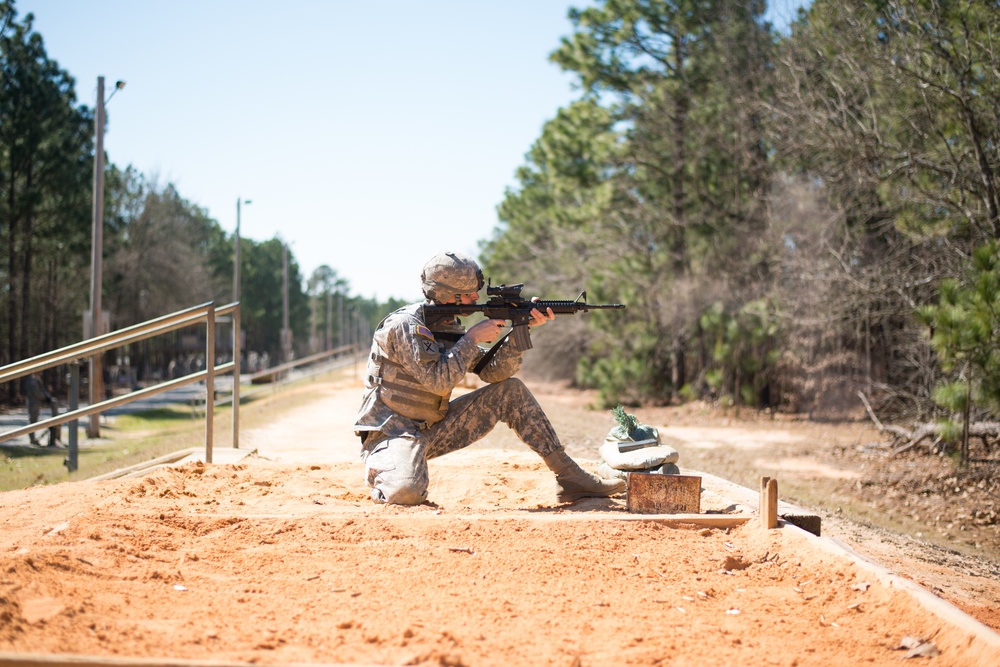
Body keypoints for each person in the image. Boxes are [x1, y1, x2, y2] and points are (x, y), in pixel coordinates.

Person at [354, 250, 626, 505]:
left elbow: (494, 373)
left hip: (432, 430)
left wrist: (520, 331)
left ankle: (570, 477)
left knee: (510, 390)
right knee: (406, 491)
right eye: (470, 294)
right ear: (448, 294)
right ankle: (388, 472)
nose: (476, 300)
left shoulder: (449, 327)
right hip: (392, 433)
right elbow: (437, 381)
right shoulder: (405, 326)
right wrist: (471, 339)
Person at [24, 373, 55, 447]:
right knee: (32, 421)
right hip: (33, 403)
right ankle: (32, 439)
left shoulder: (37, 379)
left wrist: (47, 396)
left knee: (34, 420)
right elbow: (37, 392)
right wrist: (45, 397)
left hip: (37, 403)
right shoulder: (32, 381)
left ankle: (34, 439)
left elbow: (42, 390)